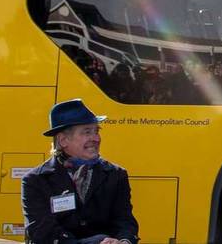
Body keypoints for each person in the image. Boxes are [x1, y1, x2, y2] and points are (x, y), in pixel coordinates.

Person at [22, 99, 139, 244]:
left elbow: (125, 221)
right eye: (87, 132)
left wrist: (124, 241)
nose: (95, 138)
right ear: (63, 140)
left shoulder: (115, 175)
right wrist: (97, 242)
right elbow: (43, 234)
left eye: (96, 131)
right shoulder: (36, 180)